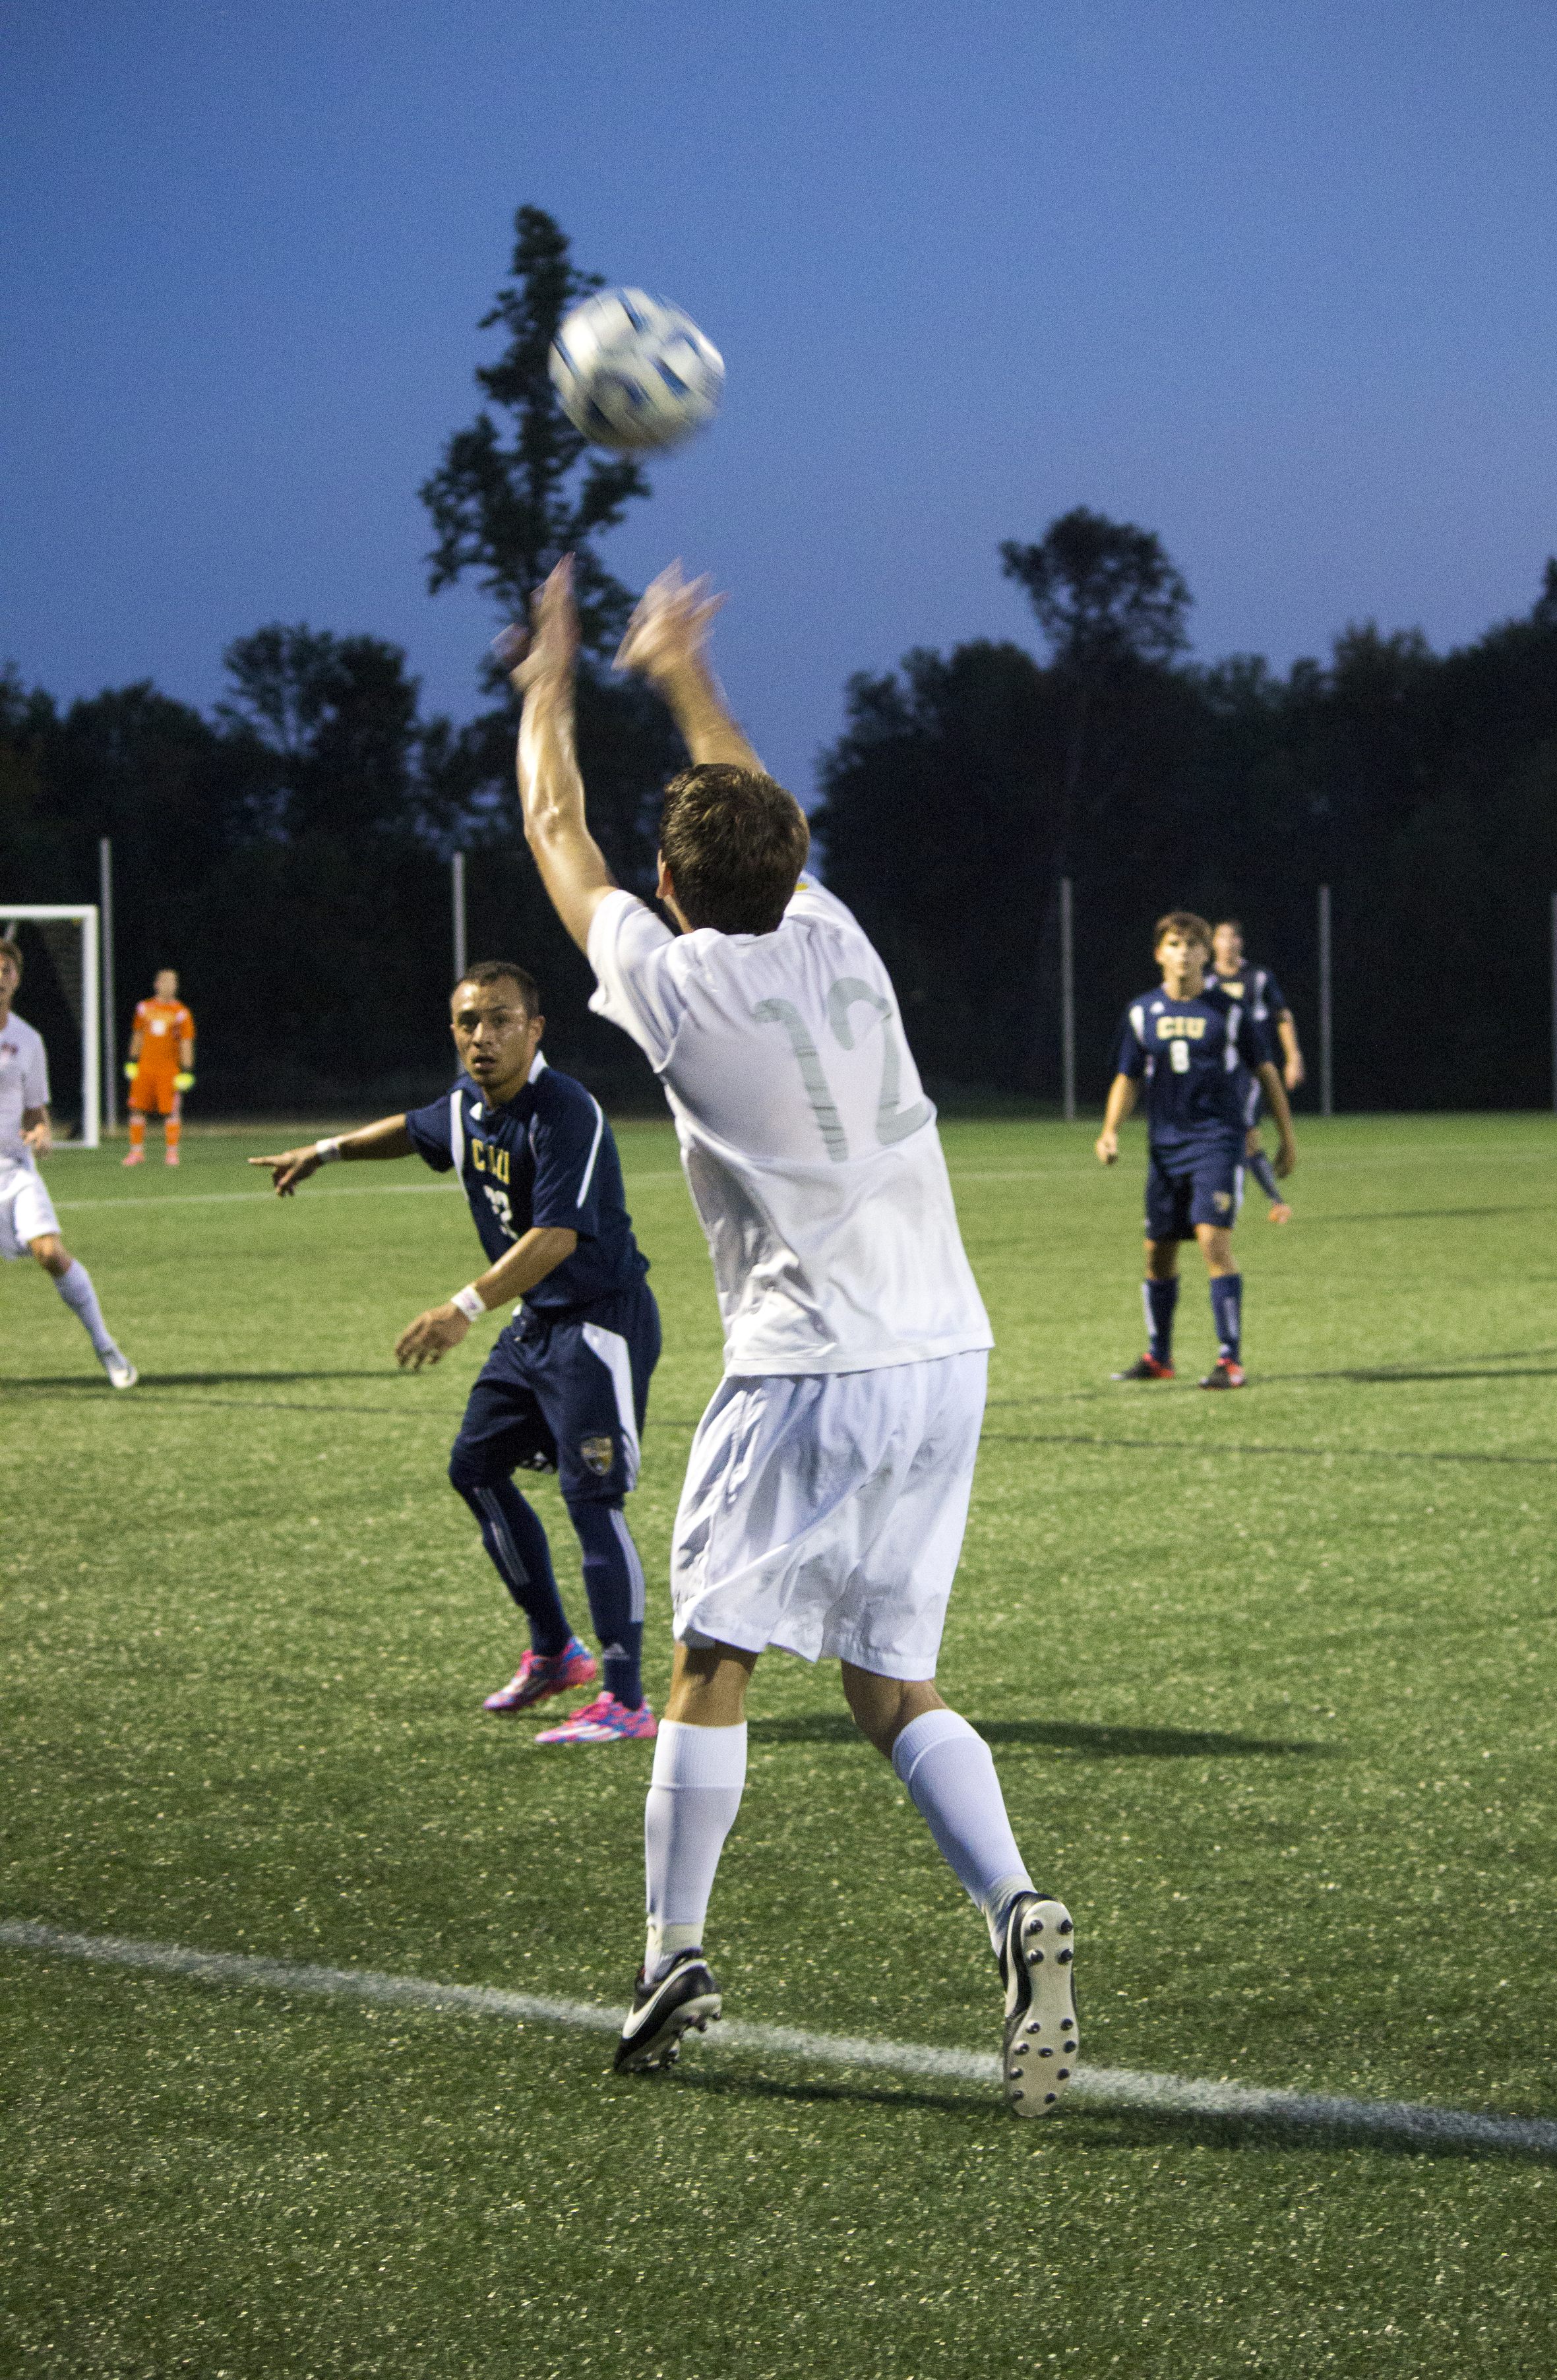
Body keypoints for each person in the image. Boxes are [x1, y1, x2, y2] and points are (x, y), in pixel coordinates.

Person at [506, 557, 1076, 2114]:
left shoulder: (678, 983)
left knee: (711, 1653)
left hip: (807, 1364)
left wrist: (548, 679)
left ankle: (671, 1949)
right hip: (944, 1351)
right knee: (893, 1681)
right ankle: (1016, 1905)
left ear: (677, 889)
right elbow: (754, 797)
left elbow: (560, 833)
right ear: (792, 861)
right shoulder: (843, 939)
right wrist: (684, 667)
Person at [251, 960, 663, 1746]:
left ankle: (626, 1699)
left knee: (592, 1500)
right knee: (473, 1467)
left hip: (597, 1324)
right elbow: (411, 1130)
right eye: (469, 1022)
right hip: (538, 1324)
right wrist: (325, 1150)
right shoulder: (466, 1105)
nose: (483, 1036)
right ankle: (555, 1653)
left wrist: (463, 1308)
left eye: (501, 1019)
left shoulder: (564, 1109)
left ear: (534, 1030)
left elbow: (556, 1237)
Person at [1096, 911, 1297, 1390]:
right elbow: (1127, 1077)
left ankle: (1230, 1360)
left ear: (1206, 955)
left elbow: (1266, 1071)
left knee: (1212, 1241)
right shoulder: (1143, 1011)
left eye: (1192, 944)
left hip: (1218, 1142)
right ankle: (1159, 1356)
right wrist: (1110, 1131)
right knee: (1157, 1255)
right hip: (1165, 1147)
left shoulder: (1228, 1010)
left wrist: (1287, 1137)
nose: (1183, 952)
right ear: (1159, 953)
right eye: (1174, 944)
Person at [0, 936, 137, 1387]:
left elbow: (37, 1111)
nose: (0, 977)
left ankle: (106, 1347)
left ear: (17, 979)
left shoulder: (27, 1040)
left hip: (15, 1171)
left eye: (7, 970)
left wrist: (41, 1132)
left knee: (51, 1253)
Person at [1207, 920, 1303, 1225]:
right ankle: (1216, 1198)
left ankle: (1275, 1202)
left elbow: (1282, 1016)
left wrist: (1293, 1056)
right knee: (1221, 1136)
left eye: (1234, 936)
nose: (1229, 942)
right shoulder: (1205, 980)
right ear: (1213, 944)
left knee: (1247, 1132)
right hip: (1216, 1072)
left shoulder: (1258, 978)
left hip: (1251, 1072)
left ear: (1241, 943)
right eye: (1223, 937)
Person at [123, 969, 196, 1167]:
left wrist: (187, 1070)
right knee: (137, 1108)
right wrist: (132, 1060)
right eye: (165, 982)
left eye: (173, 982)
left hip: (169, 1069)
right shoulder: (144, 1008)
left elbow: (186, 1042)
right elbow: (138, 1034)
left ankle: (172, 1153)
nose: (169, 986)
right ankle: (136, 1152)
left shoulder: (182, 1013)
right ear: (157, 984)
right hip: (145, 1067)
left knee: (171, 1110)